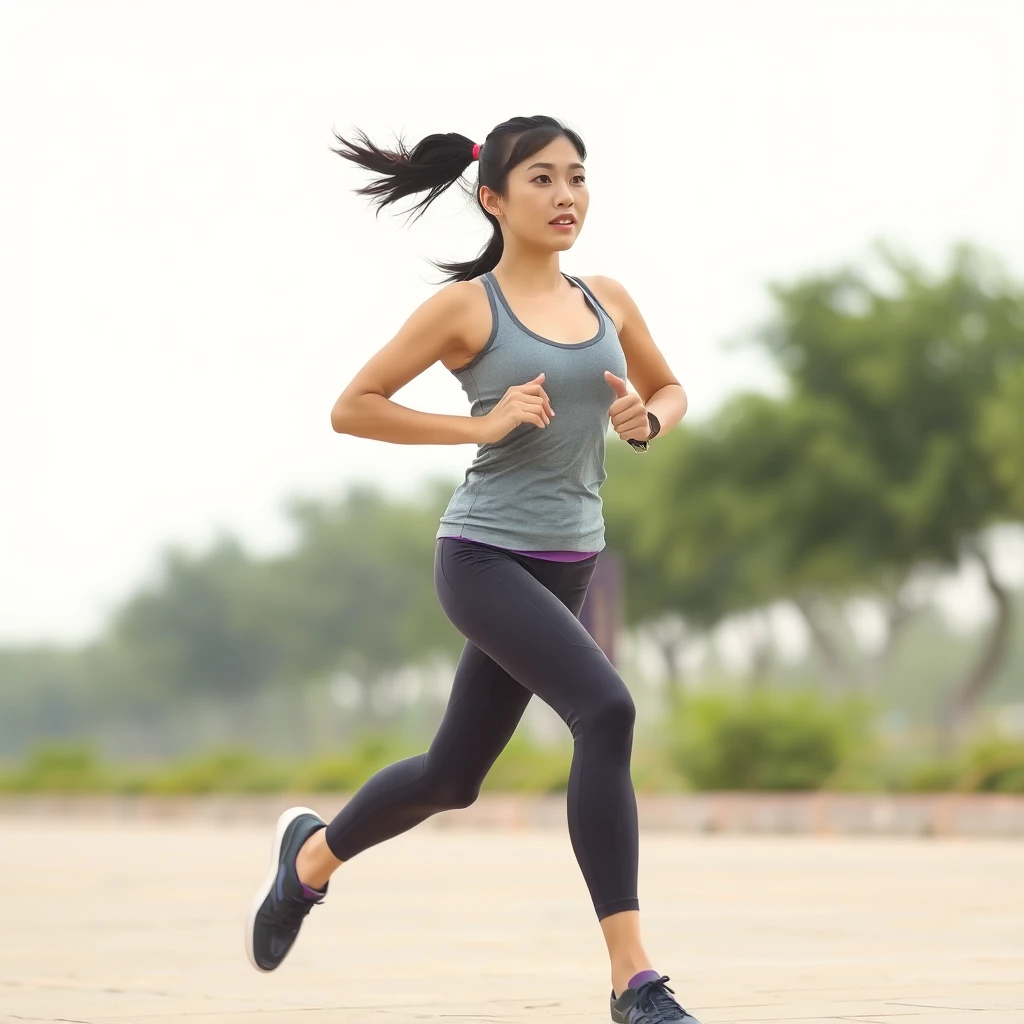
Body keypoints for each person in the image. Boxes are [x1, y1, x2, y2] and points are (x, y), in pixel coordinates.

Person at [244, 114, 696, 1024]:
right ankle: (634, 981)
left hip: (571, 557)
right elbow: (354, 407)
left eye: (577, 177)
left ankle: (308, 860)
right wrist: (482, 426)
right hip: (484, 557)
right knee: (605, 709)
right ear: (493, 197)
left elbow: (670, 388)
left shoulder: (609, 297)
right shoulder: (467, 308)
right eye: (542, 180)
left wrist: (650, 422)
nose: (566, 195)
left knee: (453, 778)